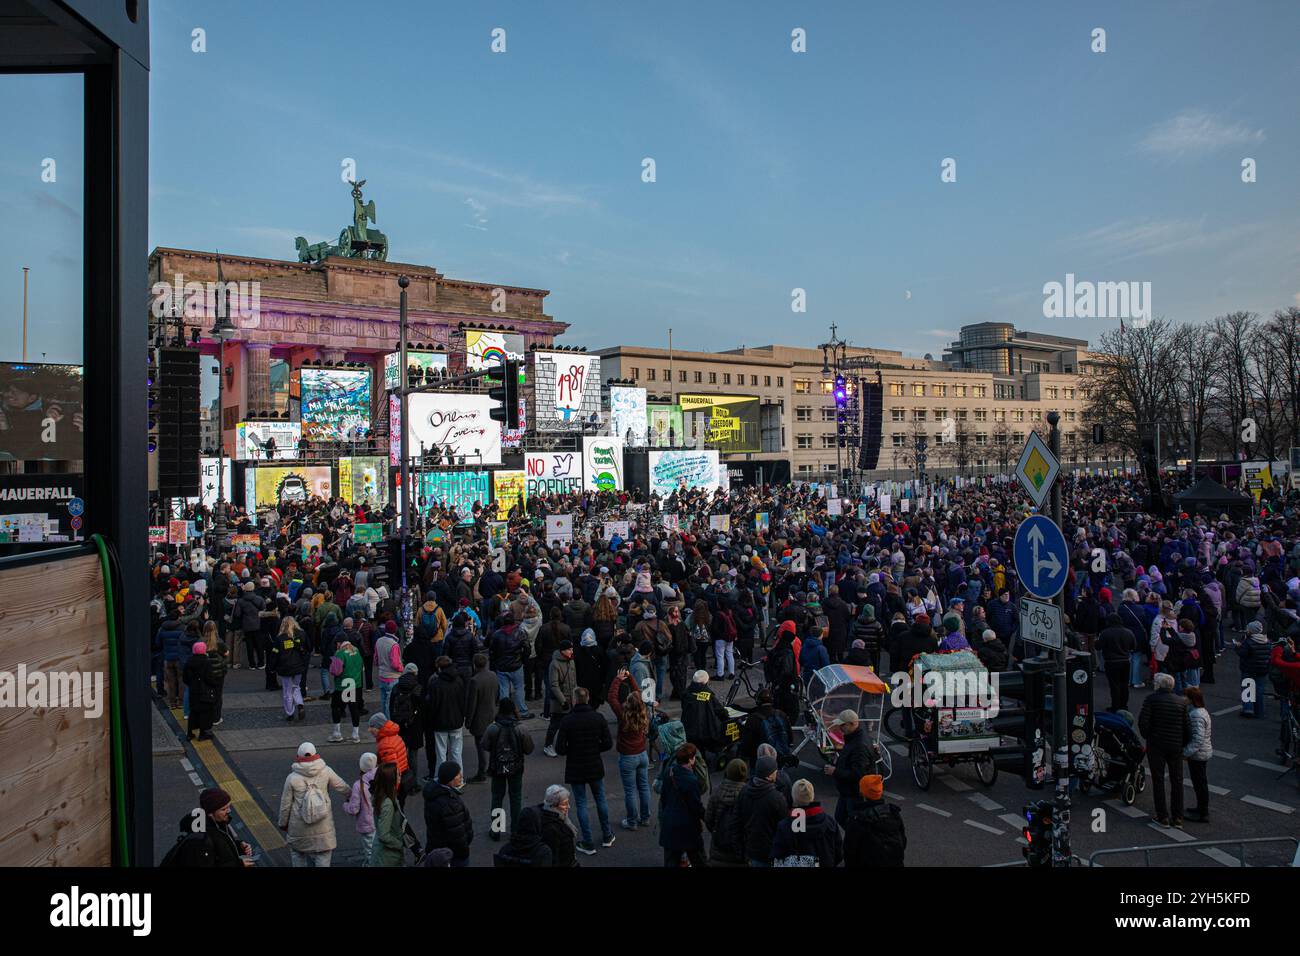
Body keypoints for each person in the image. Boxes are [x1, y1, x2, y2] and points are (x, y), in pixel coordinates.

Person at [555, 686, 615, 854]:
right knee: (600, 799)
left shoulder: (567, 721)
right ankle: (607, 835)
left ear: (574, 700)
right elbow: (608, 743)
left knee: (581, 803)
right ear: (587, 698)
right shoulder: (598, 717)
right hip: (594, 764)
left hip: (576, 766)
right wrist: (596, 748)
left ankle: (588, 842)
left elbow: (560, 748)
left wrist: (572, 749)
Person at [277, 742, 351, 867]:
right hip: (323, 824)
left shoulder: (292, 778)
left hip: (298, 827)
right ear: (316, 754)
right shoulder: (326, 771)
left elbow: (285, 804)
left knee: (298, 853)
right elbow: (343, 787)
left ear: (298, 756)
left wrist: (283, 823)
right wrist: (352, 797)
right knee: (323, 854)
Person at [1137, 672, 1191, 829]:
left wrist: (1149, 736)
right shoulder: (1181, 702)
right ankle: (1178, 817)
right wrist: (1182, 743)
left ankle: (1162, 816)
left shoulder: (1151, 700)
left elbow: (1143, 723)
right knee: (1177, 780)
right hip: (1175, 746)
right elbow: (1187, 727)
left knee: (1158, 779)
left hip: (1157, 745)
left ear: (1158, 685)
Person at [607, 668, 653, 830]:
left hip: (627, 756)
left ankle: (632, 821)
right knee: (644, 787)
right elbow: (638, 692)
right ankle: (645, 817)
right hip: (642, 754)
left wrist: (618, 679)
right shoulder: (644, 712)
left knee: (630, 791)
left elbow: (611, 697)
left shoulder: (622, 714)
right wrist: (631, 677)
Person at [161, 787, 253, 867]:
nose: (229, 811)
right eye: (223, 809)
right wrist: (238, 864)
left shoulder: (219, 823)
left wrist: (238, 846)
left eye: (229, 807)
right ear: (210, 813)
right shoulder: (200, 841)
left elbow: (219, 847)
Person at [485, 697, 534, 838]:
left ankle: (496, 829)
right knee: (516, 798)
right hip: (516, 768)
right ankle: (515, 830)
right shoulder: (520, 728)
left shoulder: (493, 727)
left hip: (498, 767)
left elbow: (485, 745)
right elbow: (529, 749)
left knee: (497, 797)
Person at [771, 778, 843, 867]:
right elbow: (838, 854)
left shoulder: (785, 826)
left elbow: (777, 858)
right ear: (812, 796)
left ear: (794, 798)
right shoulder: (830, 823)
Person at [824, 708, 877, 827]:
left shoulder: (859, 745)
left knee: (853, 822)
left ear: (853, 724)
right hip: (848, 791)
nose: (840, 728)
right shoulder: (855, 738)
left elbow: (858, 774)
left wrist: (835, 771)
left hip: (854, 792)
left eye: (843, 725)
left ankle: (855, 842)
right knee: (841, 816)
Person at [658, 742, 707, 867]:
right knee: (698, 859)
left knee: (671, 861)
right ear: (690, 760)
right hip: (688, 827)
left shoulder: (669, 772)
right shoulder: (691, 780)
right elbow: (696, 806)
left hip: (669, 824)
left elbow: (664, 798)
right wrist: (707, 818)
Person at [736, 754, 789, 867]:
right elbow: (784, 827)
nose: (777, 773)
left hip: (751, 848)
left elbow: (737, 820)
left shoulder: (744, 791)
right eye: (775, 771)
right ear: (769, 776)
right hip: (770, 851)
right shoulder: (776, 798)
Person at [843, 773, 906, 867]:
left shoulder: (858, 820)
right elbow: (903, 841)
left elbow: (849, 852)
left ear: (862, 794)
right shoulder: (893, 813)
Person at [422, 760, 473, 867]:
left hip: (436, 848)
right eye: (458, 774)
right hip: (454, 855)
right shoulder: (450, 805)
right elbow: (457, 834)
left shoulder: (433, 795)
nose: (461, 776)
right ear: (450, 779)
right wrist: (464, 850)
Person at [425, 656, 467, 780]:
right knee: (456, 752)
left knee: (441, 753)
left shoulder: (435, 683)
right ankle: (459, 778)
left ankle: (440, 778)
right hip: (456, 721)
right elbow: (462, 701)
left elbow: (433, 705)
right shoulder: (459, 680)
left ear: (439, 667)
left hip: (440, 723)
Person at [704, 758, 749, 866]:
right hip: (739, 851)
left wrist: (716, 831)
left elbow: (708, 820)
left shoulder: (716, 792)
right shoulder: (747, 795)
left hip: (718, 849)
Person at [465, 653, 499, 783]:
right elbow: (497, 695)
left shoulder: (475, 680)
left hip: (479, 719)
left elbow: (472, 704)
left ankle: (481, 772)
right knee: (491, 744)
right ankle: (491, 768)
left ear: (474, 665)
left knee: (481, 747)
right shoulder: (493, 675)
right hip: (492, 714)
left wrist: (468, 722)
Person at [681, 669, 728, 762]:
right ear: (705, 682)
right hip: (705, 730)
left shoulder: (686, 692)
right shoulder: (708, 695)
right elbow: (720, 711)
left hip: (688, 728)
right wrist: (725, 715)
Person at [342, 752, 378, 864]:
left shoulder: (358, 785)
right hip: (380, 820)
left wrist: (345, 805)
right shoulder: (381, 777)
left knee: (370, 851)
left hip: (367, 823)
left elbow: (354, 809)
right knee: (378, 848)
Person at [1183, 686, 1213, 823]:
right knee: (1200, 783)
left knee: (1200, 783)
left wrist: (1185, 753)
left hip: (1198, 754)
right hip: (1203, 752)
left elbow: (1197, 739)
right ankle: (1201, 808)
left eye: (1186, 697)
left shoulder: (1196, 715)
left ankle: (1203, 812)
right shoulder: (1201, 711)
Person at [269, 617, 308, 722]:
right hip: (298, 666)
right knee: (296, 687)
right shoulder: (301, 634)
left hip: (285, 668)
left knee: (287, 691)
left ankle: (290, 713)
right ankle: (300, 704)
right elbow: (308, 648)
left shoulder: (280, 638)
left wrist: (272, 667)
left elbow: (274, 654)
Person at [368, 761, 406, 868]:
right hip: (387, 857)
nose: (400, 776)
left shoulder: (382, 795)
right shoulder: (388, 803)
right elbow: (384, 835)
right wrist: (399, 844)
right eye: (398, 774)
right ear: (391, 779)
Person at [544, 639, 577, 757]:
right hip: (560, 701)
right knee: (555, 724)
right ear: (563, 651)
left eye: (572, 649)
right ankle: (548, 745)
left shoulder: (571, 661)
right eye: (569, 649)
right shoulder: (554, 664)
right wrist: (563, 701)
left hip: (572, 699)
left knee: (569, 725)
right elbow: (554, 685)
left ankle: (564, 744)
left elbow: (574, 680)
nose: (571, 651)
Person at [327, 638, 364, 743]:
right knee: (354, 709)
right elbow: (361, 665)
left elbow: (336, 671)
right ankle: (355, 734)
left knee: (336, 707)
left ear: (339, 643)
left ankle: (337, 733)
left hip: (343, 684)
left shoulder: (340, 653)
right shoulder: (356, 650)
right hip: (355, 684)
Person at [1097, 613, 1136, 712]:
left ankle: (1115, 705)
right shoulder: (1128, 632)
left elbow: (1098, 646)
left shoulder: (1105, 633)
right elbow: (1133, 646)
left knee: (1114, 685)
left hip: (1111, 661)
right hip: (1125, 661)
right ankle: (1124, 705)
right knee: (1124, 684)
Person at [183, 640, 217, 741]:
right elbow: (209, 678)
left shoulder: (189, 661)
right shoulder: (206, 662)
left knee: (193, 711)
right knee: (205, 712)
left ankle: (190, 733)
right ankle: (203, 734)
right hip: (204, 691)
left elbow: (185, 678)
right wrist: (215, 684)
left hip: (193, 691)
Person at [537, 784, 578, 867]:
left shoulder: (560, 819)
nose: (568, 807)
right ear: (553, 806)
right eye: (564, 804)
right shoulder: (552, 829)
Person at [1237, 621, 1272, 716]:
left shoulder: (1248, 642)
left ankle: (1248, 709)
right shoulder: (1267, 641)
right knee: (1260, 690)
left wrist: (1238, 647)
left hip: (1248, 668)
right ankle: (1259, 711)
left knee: (1247, 688)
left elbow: (1242, 654)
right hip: (1262, 669)